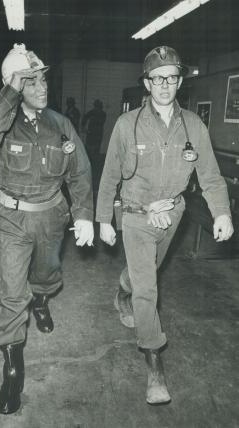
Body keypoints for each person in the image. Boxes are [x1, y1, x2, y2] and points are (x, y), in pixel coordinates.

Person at [96, 46, 234, 405]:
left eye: (172, 78)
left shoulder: (194, 125)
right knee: (149, 290)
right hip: (136, 213)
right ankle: (154, 363)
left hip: (173, 214)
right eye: (158, 78)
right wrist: (103, 220)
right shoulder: (128, 125)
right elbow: (110, 174)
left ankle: (123, 287)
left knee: (144, 276)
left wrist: (222, 212)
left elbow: (211, 176)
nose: (165, 85)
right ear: (146, 82)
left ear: (179, 82)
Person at [0, 43, 94, 415]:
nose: (42, 87)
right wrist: (10, 88)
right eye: (31, 81)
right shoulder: (2, 123)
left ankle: (42, 299)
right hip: (10, 219)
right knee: (11, 292)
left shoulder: (61, 124)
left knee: (47, 275)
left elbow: (80, 172)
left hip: (52, 216)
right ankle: (13, 368)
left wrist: (84, 214)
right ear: (16, 86)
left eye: (43, 79)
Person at [82, 99, 106, 165]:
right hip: (92, 133)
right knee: (89, 147)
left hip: (96, 133)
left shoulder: (102, 114)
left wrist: (84, 127)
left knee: (95, 148)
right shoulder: (92, 112)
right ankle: (90, 161)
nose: (97, 107)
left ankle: (93, 161)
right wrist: (83, 127)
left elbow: (100, 122)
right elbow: (84, 118)